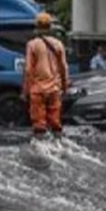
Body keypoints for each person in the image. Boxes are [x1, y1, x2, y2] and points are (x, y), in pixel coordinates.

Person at [23, 12, 70, 140]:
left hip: (37, 90)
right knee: (56, 124)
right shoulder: (59, 44)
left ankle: (41, 151)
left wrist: (25, 91)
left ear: (36, 27)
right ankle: (59, 147)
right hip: (54, 90)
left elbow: (28, 70)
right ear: (50, 27)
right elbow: (64, 68)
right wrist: (65, 87)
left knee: (39, 126)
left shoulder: (32, 45)